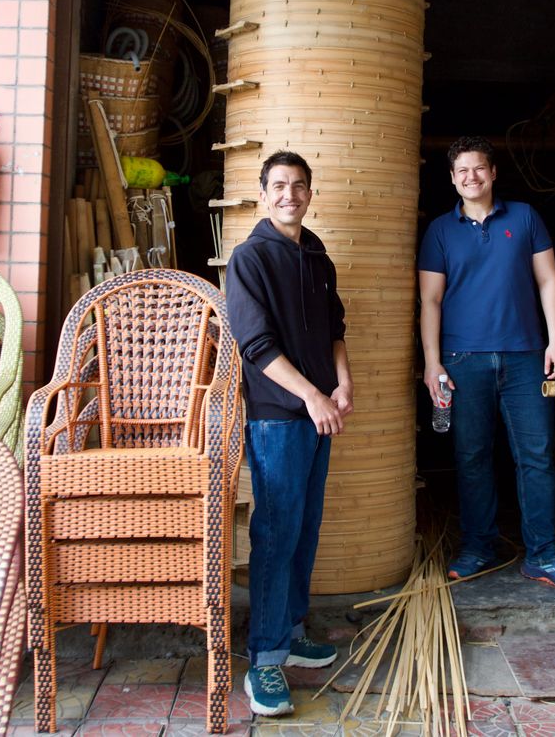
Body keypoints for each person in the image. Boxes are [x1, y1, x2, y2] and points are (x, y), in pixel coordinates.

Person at [225, 149, 354, 716]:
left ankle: (291, 629)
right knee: (275, 532)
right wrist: (313, 395)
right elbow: (256, 347)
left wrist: (342, 385)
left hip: (322, 412)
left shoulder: (317, 255)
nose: (290, 195)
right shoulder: (248, 259)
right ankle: (264, 661)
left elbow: (336, 330)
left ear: (309, 192)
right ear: (262, 192)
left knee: (304, 526)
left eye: (299, 186)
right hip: (280, 416)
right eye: (279, 186)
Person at [418, 135, 555, 586]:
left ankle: (542, 553)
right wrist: (432, 362)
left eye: (479, 168)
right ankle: (478, 546)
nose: (471, 176)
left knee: (537, 455)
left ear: (493, 172)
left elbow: (548, 281)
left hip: (525, 356)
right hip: (463, 359)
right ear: (452, 178)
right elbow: (430, 301)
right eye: (462, 170)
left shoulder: (524, 217)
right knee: (472, 456)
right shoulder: (441, 231)